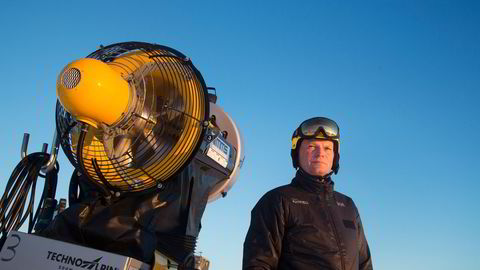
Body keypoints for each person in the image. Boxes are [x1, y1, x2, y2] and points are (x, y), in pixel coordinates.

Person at [243, 117, 373, 269]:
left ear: (335, 156)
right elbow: (258, 264)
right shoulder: (278, 200)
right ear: (297, 153)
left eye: (327, 148)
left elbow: (365, 264)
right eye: (312, 146)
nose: (320, 154)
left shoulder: (348, 206)